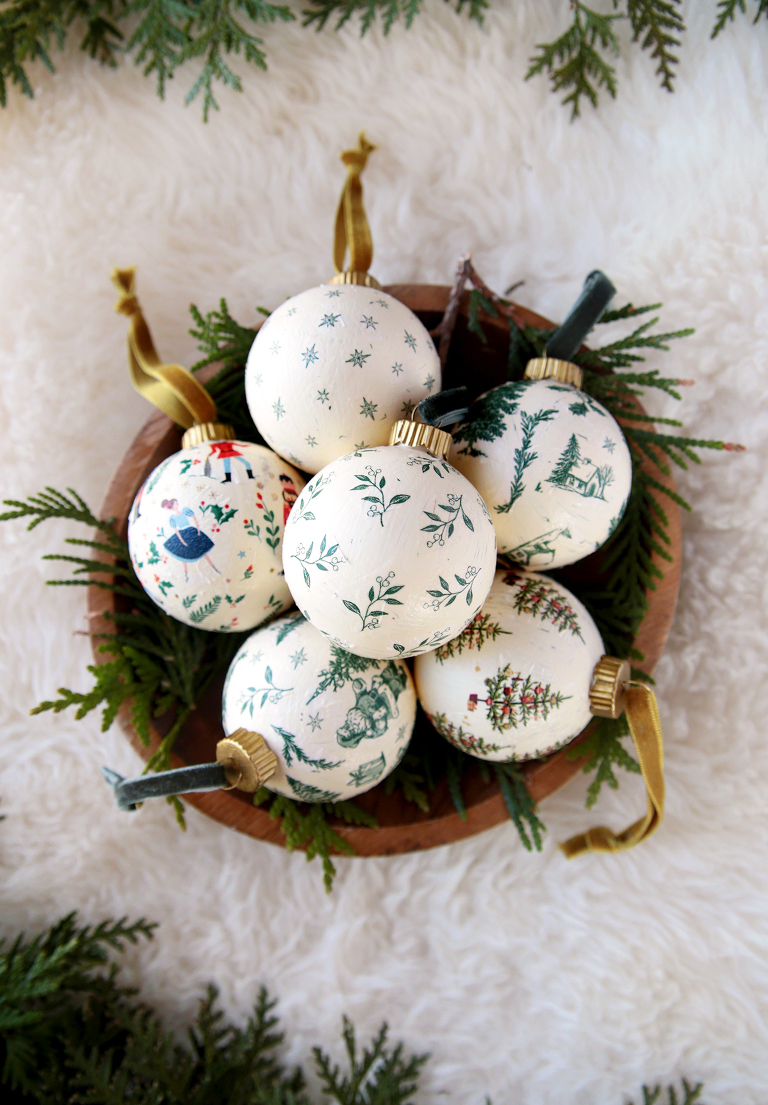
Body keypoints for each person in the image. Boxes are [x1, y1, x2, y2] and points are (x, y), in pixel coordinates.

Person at [161, 499, 220, 580]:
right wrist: (181, 540)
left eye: (177, 503)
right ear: (172, 505)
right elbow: (176, 530)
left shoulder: (184, 510)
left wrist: (198, 527)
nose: (177, 504)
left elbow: (194, 517)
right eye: (175, 503)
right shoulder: (173, 517)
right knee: (183, 555)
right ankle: (186, 575)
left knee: (202, 550)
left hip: (191, 531)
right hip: (183, 534)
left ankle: (214, 568)